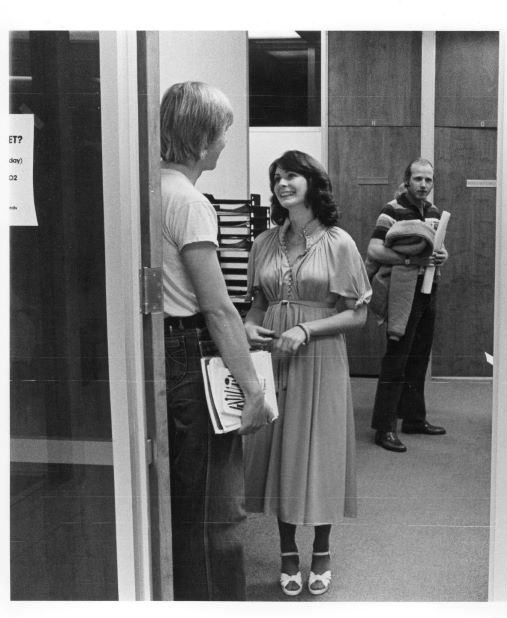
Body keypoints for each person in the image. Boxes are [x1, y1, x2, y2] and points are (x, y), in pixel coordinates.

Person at [160, 81, 275, 600]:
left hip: (165, 347)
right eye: (225, 129)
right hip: (191, 351)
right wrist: (253, 390)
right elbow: (217, 308)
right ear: (204, 136)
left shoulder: (150, 191)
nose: (227, 140)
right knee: (217, 510)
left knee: (185, 501)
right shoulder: (189, 202)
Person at [242, 150, 371, 597]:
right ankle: (286, 552)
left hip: (320, 357)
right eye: (276, 177)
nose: (281, 183)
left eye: (291, 175)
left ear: (312, 182)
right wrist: (247, 325)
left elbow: (356, 315)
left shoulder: (339, 242)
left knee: (319, 451)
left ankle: (321, 549)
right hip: (274, 353)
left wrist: (304, 328)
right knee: (279, 447)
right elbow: (258, 302)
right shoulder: (263, 242)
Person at [368, 158, 449, 453]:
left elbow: (434, 248)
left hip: (428, 290)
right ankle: (384, 427)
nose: (423, 185)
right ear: (407, 181)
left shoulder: (434, 212)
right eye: (418, 179)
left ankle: (414, 418)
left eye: (428, 180)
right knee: (397, 358)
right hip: (401, 291)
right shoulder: (392, 210)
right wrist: (409, 260)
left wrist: (442, 257)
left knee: (419, 357)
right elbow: (374, 249)